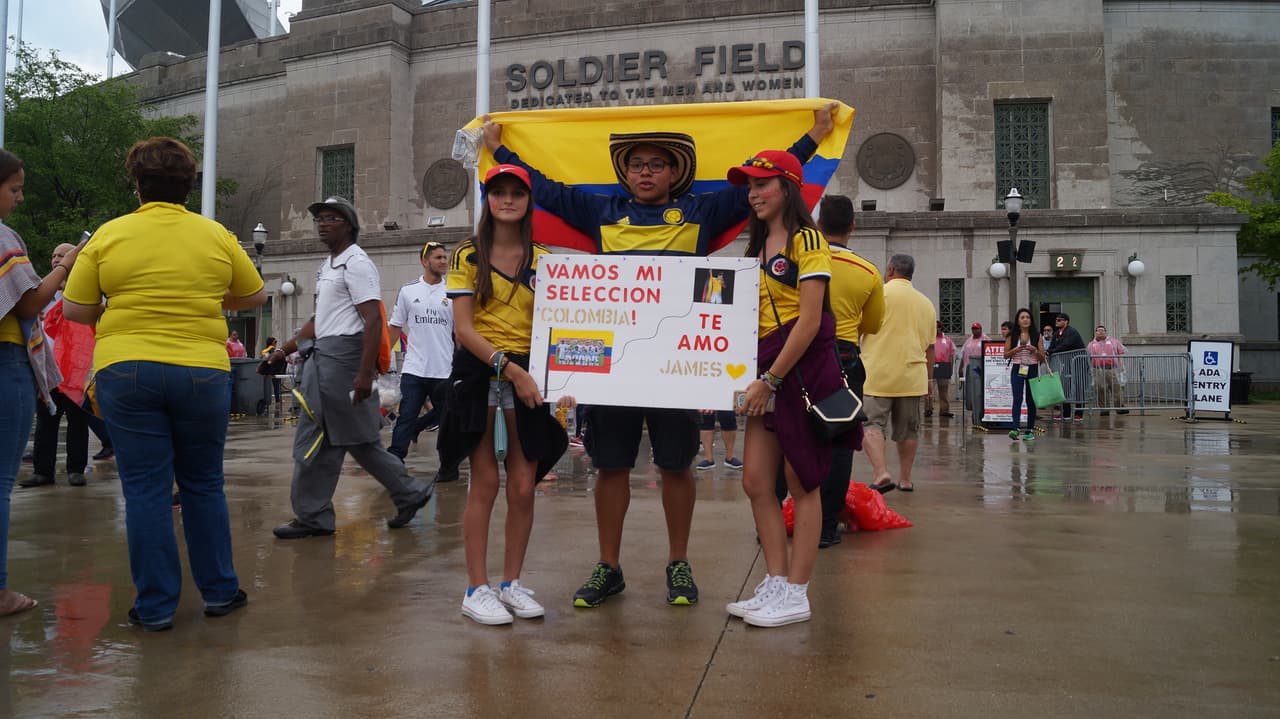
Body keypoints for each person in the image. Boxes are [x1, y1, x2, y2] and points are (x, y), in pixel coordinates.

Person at [482, 104, 838, 609]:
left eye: (656, 165)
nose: (644, 173)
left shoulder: (704, 210)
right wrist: (498, 148)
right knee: (610, 466)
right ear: (623, 173)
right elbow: (541, 187)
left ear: (675, 172)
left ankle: (679, 563)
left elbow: (772, 180)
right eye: (636, 165)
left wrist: (813, 136)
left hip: (678, 370)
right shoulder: (599, 211)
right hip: (615, 371)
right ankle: (609, 566)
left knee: (676, 465)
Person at [62, 137, 265, 631]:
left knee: (147, 491)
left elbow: (74, 309)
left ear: (137, 184)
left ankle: (154, 609)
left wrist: (117, 307)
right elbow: (255, 295)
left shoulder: (109, 236)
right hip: (201, 369)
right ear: (188, 185)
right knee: (203, 484)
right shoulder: (215, 235)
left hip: (126, 368)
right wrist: (210, 302)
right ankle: (219, 592)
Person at [726, 150, 858, 627]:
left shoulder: (808, 241)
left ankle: (798, 592)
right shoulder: (754, 246)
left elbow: (809, 320)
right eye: (749, 186)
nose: (753, 193)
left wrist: (772, 380)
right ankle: (776, 581)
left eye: (762, 184)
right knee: (756, 481)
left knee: (803, 480)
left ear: (787, 187)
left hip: (800, 373)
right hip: (765, 371)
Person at [437, 164, 572, 625]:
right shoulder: (466, 256)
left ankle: (511, 583)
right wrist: (509, 369)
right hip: (481, 372)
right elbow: (464, 329)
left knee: (523, 484)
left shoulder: (546, 259)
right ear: (487, 199)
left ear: (529, 200)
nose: (508, 200)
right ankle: (476, 588)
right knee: (486, 482)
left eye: (517, 192)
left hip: (530, 374)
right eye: (499, 192)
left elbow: (557, 326)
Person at [269, 196, 435, 540]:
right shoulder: (329, 265)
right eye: (320, 218)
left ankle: (315, 515)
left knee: (314, 438)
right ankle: (407, 493)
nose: (322, 223)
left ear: (349, 226)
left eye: (331, 218)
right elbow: (320, 320)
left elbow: (373, 319)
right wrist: (282, 351)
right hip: (326, 358)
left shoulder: (356, 263)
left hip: (341, 363)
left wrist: (363, 374)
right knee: (352, 440)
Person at [0, 149, 79, 617]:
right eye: (14, 189)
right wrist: (67, 266)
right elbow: (30, 305)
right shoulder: (4, 237)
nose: (20, 198)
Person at [814, 194, 882, 548]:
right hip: (844, 358)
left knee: (789, 436)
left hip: (801, 354)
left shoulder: (804, 260)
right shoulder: (868, 271)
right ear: (853, 226)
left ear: (819, 224)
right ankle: (825, 527)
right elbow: (872, 324)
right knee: (839, 443)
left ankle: (777, 519)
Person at [23, 243, 113, 489]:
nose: (55, 259)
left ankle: (76, 470)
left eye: (62, 255)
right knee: (46, 421)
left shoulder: (89, 289)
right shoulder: (44, 291)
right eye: (53, 255)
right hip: (48, 368)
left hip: (76, 371)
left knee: (78, 422)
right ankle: (43, 471)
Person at [859, 254, 935, 494]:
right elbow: (930, 347)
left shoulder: (876, 295)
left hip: (876, 373)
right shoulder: (926, 303)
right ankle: (905, 479)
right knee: (909, 430)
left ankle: (881, 473)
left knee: (872, 424)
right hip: (912, 375)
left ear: (890, 270)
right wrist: (930, 379)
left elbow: (859, 329)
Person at [387, 241, 455, 463]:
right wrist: (381, 358)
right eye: (438, 257)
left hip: (443, 369)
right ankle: (395, 460)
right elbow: (396, 327)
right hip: (414, 368)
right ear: (425, 261)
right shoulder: (408, 291)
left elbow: (461, 331)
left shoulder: (453, 291)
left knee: (449, 418)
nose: (443, 261)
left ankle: (448, 465)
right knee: (406, 415)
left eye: (445, 257)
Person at [1003, 307, 1047, 441]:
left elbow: (1042, 358)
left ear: (1031, 320)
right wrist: (1016, 349)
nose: (1025, 320)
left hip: (1032, 368)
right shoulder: (1012, 336)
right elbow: (1005, 355)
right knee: (1017, 398)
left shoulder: (1037, 335)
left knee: (1030, 400)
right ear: (1018, 321)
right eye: (1022, 317)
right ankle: (1015, 428)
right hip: (1017, 368)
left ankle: (1029, 430)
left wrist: (1034, 350)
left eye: (1027, 317)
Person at [1048, 312, 1086, 421]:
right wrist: (1048, 352)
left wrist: (1052, 351)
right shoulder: (1056, 334)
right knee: (1064, 386)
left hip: (1079, 362)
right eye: (1056, 320)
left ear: (1066, 322)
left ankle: (1079, 413)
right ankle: (1066, 413)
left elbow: (1066, 345)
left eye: (1059, 320)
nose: (1057, 321)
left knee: (1079, 387)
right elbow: (1052, 346)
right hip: (1067, 363)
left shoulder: (1072, 332)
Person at [1087, 325, 1129, 415]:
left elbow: (1121, 352)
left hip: (1112, 369)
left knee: (1116, 388)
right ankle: (1104, 409)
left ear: (1106, 332)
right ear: (1095, 332)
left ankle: (1120, 407)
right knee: (1100, 389)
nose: (1101, 332)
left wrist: (1122, 365)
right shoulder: (1091, 344)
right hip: (1097, 370)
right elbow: (1088, 357)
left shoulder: (1114, 341)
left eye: (1103, 330)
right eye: (1098, 330)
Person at [924, 321, 956, 418]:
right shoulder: (928, 340)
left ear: (941, 328)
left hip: (943, 366)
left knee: (943, 390)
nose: (935, 330)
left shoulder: (947, 340)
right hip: (931, 366)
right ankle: (928, 409)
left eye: (937, 328)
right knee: (929, 390)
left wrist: (950, 368)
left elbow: (951, 354)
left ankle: (944, 410)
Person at [959, 322, 989, 416]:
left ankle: (981, 410)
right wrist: (960, 368)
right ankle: (974, 410)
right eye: (973, 329)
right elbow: (963, 355)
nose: (975, 330)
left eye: (977, 329)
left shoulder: (986, 339)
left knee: (980, 390)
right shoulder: (968, 341)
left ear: (981, 329)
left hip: (981, 369)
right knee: (971, 391)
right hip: (969, 369)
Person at [258, 336, 287, 404]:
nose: (276, 343)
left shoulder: (264, 351)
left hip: (266, 371)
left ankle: (267, 400)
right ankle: (277, 400)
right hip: (274, 371)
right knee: (276, 386)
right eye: (275, 342)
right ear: (273, 343)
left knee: (267, 387)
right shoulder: (273, 351)